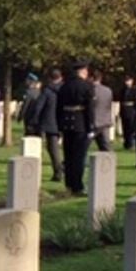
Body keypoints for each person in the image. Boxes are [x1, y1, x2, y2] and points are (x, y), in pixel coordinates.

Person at [56, 59, 95, 194]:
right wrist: (90, 127)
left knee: (68, 155)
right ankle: (77, 185)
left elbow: (58, 108)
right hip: (80, 124)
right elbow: (89, 108)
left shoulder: (64, 86)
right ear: (83, 71)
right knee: (79, 157)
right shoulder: (86, 86)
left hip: (67, 124)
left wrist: (60, 125)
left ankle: (69, 183)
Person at [35, 69, 63, 181]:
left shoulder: (47, 91)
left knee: (53, 148)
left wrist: (35, 121)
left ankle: (58, 172)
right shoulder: (65, 90)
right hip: (65, 121)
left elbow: (39, 107)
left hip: (50, 123)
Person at [90, 70, 114, 152]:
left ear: (92, 78)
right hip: (105, 121)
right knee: (105, 146)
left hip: (94, 122)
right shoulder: (108, 90)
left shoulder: (90, 90)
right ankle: (110, 162)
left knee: (83, 145)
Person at [118, 74, 136, 149]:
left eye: (128, 81)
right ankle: (126, 143)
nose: (127, 82)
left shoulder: (134, 90)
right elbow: (121, 101)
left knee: (131, 128)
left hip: (131, 110)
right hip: (124, 110)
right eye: (126, 81)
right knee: (125, 127)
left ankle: (131, 143)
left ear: (132, 81)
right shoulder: (123, 90)